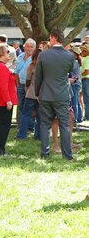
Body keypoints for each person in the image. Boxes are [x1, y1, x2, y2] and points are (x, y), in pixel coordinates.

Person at [35, 29, 74, 160]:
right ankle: (67, 155)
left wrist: (37, 93)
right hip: (62, 95)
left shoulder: (43, 55)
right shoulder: (69, 56)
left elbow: (38, 77)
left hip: (45, 94)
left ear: (53, 38)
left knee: (45, 124)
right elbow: (69, 72)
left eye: (49, 38)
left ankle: (44, 154)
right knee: (64, 125)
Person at [0, 43, 18, 156]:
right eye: (7, 52)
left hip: (0, 99)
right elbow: (3, 85)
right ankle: (0, 149)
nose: (9, 54)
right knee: (4, 126)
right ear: (1, 53)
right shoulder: (1, 66)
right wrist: (8, 100)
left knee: (1, 125)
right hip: (3, 101)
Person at [17, 49, 41, 140]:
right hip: (41, 94)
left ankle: (22, 135)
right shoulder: (43, 67)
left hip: (31, 93)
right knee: (40, 116)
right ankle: (38, 136)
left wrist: (27, 89)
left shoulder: (31, 66)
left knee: (25, 115)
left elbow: (27, 81)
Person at [14, 38, 36, 128]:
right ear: (24, 47)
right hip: (20, 85)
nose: (29, 48)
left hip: (30, 86)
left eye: (31, 47)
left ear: (34, 48)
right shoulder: (20, 56)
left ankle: (30, 126)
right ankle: (20, 125)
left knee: (29, 106)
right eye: (28, 46)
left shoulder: (35, 58)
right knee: (20, 105)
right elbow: (16, 71)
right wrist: (18, 84)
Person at [81, 44, 89, 121]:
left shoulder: (86, 59)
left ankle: (87, 116)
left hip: (86, 80)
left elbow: (87, 71)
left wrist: (80, 74)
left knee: (86, 99)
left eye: (83, 51)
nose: (82, 52)